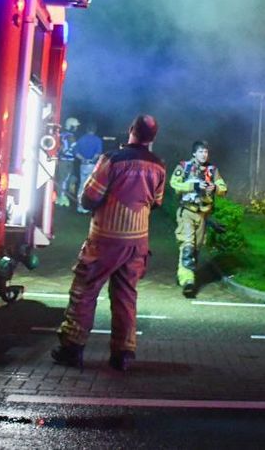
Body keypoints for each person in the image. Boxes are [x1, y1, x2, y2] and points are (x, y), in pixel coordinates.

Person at [52, 114, 164, 372]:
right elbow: (156, 202)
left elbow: (90, 197)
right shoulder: (159, 165)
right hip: (138, 242)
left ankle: (72, 347)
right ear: (153, 138)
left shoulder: (112, 159)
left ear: (130, 130)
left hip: (105, 240)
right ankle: (123, 354)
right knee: (126, 296)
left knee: (85, 291)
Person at [169, 140, 227, 297]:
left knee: (195, 249)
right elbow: (174, 184)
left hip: (202, 214)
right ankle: (188, 282)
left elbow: (223, 187)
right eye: (201, 151)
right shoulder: (184, 167)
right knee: (187, 245)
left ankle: (183, 274)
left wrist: (215, 187)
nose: (204, 154)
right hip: (187, 211)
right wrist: (193, 186)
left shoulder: (212, 170)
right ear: (194, 153)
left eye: (206, 152)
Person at [74, 121, 104, 214]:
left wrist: (83, 159)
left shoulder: (81, 139)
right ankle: (86, 207)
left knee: (82, 184)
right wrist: (90, 160)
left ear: (87, 129)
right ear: (95, 130)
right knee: (90, 186)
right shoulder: (97, 140)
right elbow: (98, 153)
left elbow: (76, 152)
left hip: (83, 165)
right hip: (92, 165)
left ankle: (79, 206)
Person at [54, 117, 80, 208]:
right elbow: (73, 149)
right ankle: (62, 197)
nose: (76, 128)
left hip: (63, 160)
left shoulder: (62, 135)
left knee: (63, 179)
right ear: (71, 126)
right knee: (64, 180)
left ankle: (60, 196)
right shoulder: (70, 137)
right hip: (66, 161)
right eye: (75, 126)